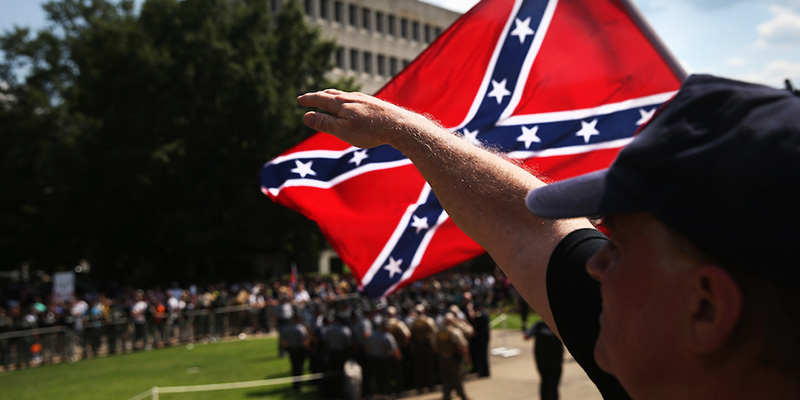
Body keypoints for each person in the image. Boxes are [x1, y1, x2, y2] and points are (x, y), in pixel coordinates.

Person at [297, 74, 800, 399]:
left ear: (706, 308)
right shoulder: (675, 350)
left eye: (619, 247)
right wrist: (408, 131)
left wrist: (410, 133)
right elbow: (527, 226)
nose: (596, 263)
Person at [434, 312, 470, 400]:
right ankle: (463, 396)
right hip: (453, 359)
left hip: (442, 358)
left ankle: (446, 396)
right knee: (457, 378)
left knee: (446, 379)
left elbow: (435, 347)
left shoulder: (438, 332)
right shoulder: (455, 332)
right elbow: (463, 346)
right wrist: (467, 358)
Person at [524, 321, 564, 400]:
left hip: (553, 361)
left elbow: (527, 336)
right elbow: (526, 336)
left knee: (549, 383)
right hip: (544, 360)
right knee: (548, 383)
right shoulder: (539, 325)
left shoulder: (557, 326)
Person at [281, 314, 310, 392]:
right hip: (300, 350)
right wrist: (307, 350)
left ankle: (295, 385)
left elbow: (283, 340)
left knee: (294, 368)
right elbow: (304, 341)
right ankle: (299, 386)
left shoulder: (287, 328)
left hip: (291, 350)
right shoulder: (300, 328)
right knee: (300, 368)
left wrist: (286, 348)